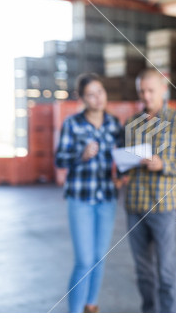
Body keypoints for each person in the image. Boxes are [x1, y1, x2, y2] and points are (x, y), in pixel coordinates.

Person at [124, 68, 176, 313]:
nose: (146, 96)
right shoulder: (131, 123)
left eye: (151, 90)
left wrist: (163, 164)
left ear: (164, 90)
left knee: (165, 271)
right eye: (141, 91)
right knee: (143, 272)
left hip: (163, 206)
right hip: (135, 204)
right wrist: (122, 165)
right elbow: (125, 162)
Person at [55, 73, 123, 313]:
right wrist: (81, 156)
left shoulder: (114, 124)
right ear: (82, 98)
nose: (97, 98)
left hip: (106, 199)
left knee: (99, 258)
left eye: (100, 92)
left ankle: (91, 308)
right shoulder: (72, 124)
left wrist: (121, 177)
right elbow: (59, 159)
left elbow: (124, 158)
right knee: (84, 260)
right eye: (91, 95)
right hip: (80, 199)